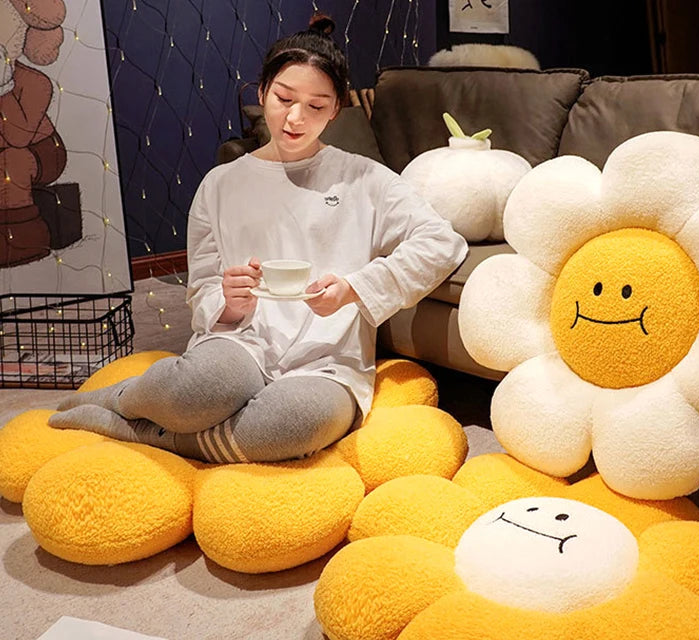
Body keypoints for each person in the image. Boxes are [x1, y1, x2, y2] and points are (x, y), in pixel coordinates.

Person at [49, 13, 467, 464]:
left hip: (327, 362)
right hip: (241, 342)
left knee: (295, 424)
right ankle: (122, 398)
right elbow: (204, 289)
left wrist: (356, 289)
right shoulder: (220, 184)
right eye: (285, 98)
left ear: (335, 109)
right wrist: (229, 304)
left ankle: (130, 429)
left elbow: (441, 243)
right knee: (195, 392)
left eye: (316, 106)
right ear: (263, 90)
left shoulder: (364, 178)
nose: (295, 118)